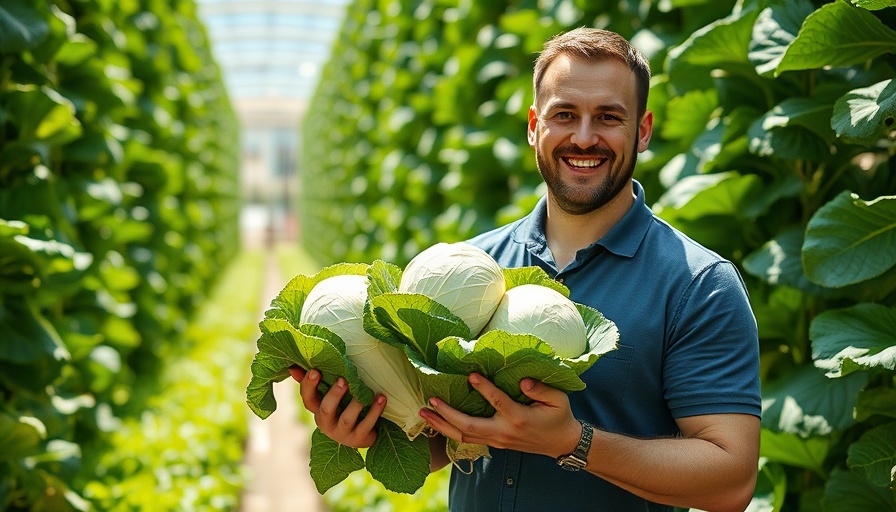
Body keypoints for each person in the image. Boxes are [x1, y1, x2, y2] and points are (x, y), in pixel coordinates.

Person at [289, 27, 761, 512]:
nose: (583, 137)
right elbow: (439, 438)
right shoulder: (468, 266)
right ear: (535, 125)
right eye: (564, 115)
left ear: (642, 130)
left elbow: (730, 480)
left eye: (608, 117)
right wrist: (369, 425)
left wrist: (574, 442)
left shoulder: (698, 285)